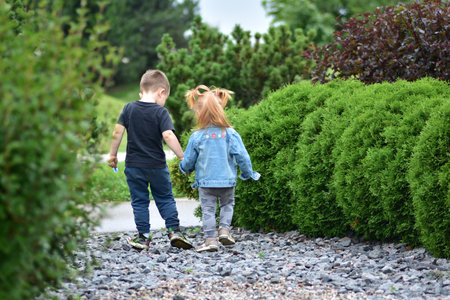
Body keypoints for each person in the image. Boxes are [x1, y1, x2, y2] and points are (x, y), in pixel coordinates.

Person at [107, 70, 193, 250]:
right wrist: (182, 156)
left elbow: (117, 132)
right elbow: (168, 135)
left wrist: (113, 155)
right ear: (161, 92)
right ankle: (174, 231)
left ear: (142, 91)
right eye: (165, 98)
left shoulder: (128, 108)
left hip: (134, 166)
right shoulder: (161, 112)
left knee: (139, 201)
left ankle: (143, 237)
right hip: (157, 166)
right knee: (165, 198)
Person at [179, 85, 260, 252]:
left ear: (199, 113)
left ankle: (210, 240)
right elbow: (242, 156)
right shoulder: (230, 133)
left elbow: (188, 162)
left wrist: (184, 168)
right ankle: (224, 230)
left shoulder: (197, 136)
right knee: (227, 204)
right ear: (220, 109)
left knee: (208, 210)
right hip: (227, 180)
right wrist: (247, 173)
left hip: (206, 182)